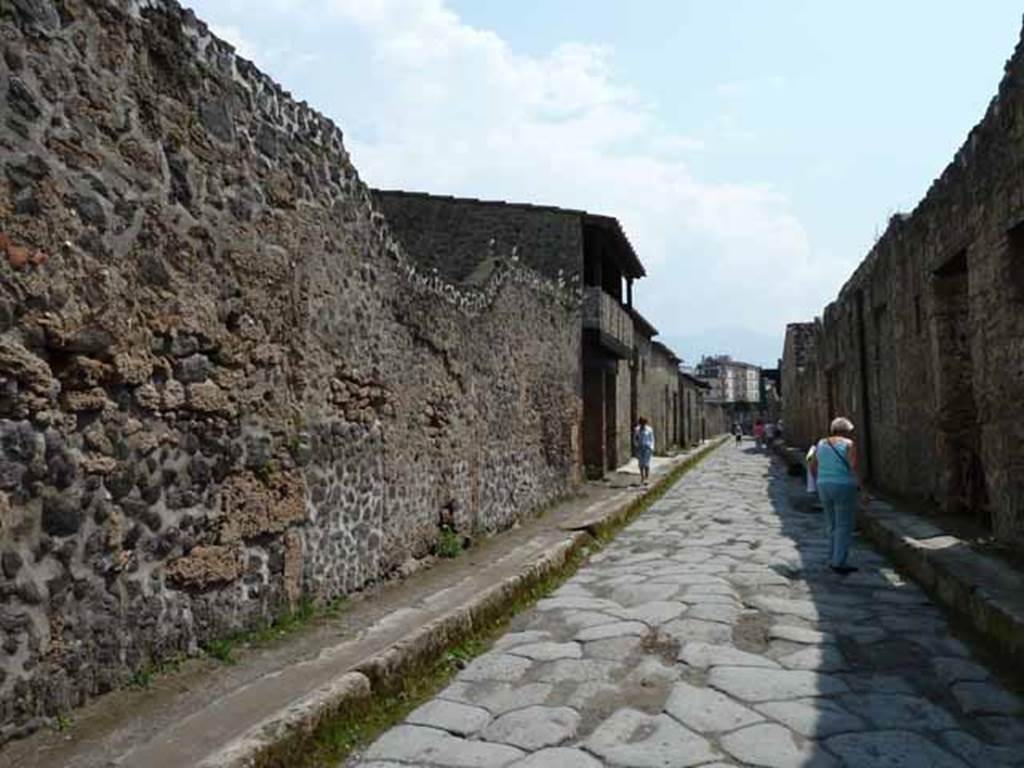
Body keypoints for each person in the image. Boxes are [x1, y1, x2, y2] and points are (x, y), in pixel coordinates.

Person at [807, 417, 863, 574]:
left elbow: (811, 464)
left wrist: (819, 479)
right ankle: (839, 562)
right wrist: (861, 486)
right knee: (844, 525)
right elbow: (853, 466)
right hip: (844, 485)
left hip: (824, 485)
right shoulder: (848, 445)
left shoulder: (821, 444)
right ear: (846, 431)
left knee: (831, 524)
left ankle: (831, 556)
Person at [633, 417, 655, 484]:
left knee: (646, 463)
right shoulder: (637, 429)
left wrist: (651, 447)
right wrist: (636, 446)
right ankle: (642, 477)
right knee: (640, 463)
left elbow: (652, 439)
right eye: (641, 423)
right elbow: (635, 438)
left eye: (644, 423)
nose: (642, 424)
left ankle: (647, 478)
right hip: (640, 448)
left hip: (647, 448)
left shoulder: (649, 429)